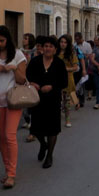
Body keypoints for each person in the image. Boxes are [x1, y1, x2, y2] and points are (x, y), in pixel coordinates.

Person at [0, 26, 27, 189]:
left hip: (14, 100)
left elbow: (22, 79)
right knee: (2, 137)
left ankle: (11, 174)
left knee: (10, 136)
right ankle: (7, 169)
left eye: (2, 41)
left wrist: (12, 68)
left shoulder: (18, 55)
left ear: (8, 40)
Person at [26, 36, 68, 168]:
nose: (48, 48)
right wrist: (33, 83)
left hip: (53, 99)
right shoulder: (35, 61)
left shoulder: (59, 64)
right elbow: (28, 76)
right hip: (37, 99)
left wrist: (52, 86)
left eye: (50, 46)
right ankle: (43, 145)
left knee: (52, 129)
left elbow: (64, 82)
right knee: (36, 128)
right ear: (42, 48)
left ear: (55, 49)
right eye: (45, 46)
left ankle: (49, 155)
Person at [58, 35, 79, 126]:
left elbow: (76, 67)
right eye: (61, 42)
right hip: (56, 79)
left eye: (65, 42)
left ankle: (67, 120)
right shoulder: (55, 53)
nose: (63, 44)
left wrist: (66, 69)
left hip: (67, 78)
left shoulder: (71, 54)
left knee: (66, 100)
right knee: (57, 100)